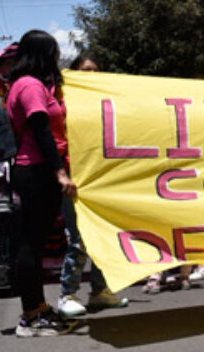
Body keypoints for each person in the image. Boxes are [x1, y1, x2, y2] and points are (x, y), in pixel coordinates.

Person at [6, 30, 78, 337]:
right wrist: (59, 172)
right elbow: (41, 132)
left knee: (33, 243)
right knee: (30, 245)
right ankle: (30, 316)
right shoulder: (31, 87)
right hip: (36, 170)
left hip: (36, 169)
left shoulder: (28, 85)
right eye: (52, 53)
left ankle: (38, 307)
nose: (55, 59)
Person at [57, 55, 129, 318]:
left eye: (96, 71)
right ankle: (67, 294)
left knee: (104, 238)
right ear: (73, 73)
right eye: (86, 71)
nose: (92, 75)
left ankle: (99, 292)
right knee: (78, 240)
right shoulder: (64, 104)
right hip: (77, 180)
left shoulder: (106, 104)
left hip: (102, 180)